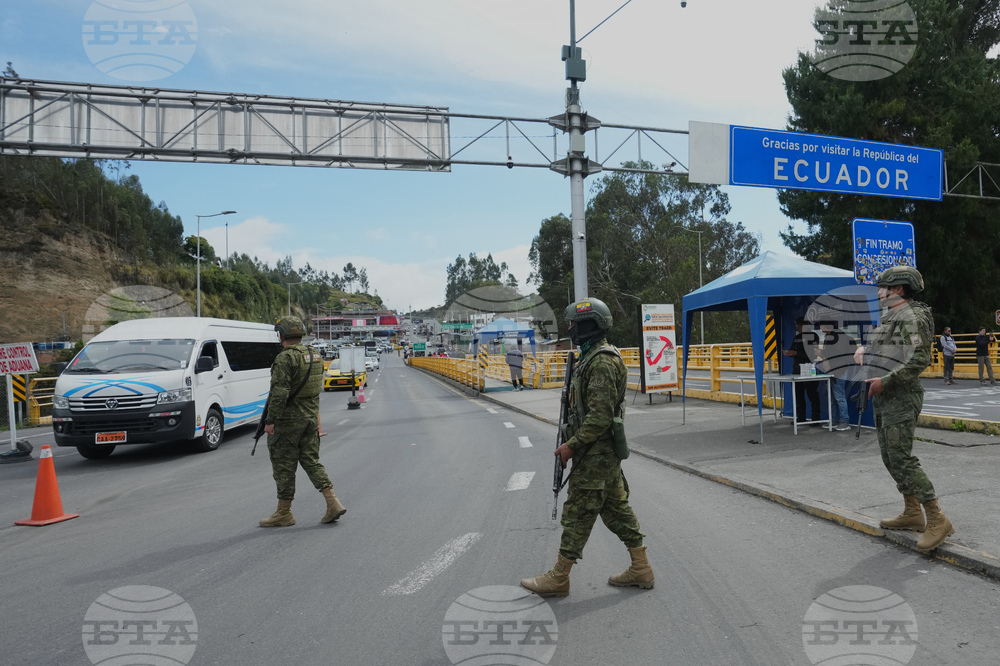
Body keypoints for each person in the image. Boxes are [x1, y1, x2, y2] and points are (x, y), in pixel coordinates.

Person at [520, 298, 652, 597]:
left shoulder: (602, 362)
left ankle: (559, 578)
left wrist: (571, 446)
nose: (571, 329)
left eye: (575, 325)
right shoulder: (591, 357)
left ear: (589, 325)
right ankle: (641, 568)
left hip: (595, 454)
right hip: (600, 453)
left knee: (578, 513)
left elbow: (600, 417)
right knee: (617, 510)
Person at [854, 266, 954, 553]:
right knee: (890, 457)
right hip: (885, 397)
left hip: (901, 396)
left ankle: (937, 517)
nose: (878, 293)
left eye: (882, 288)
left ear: (897, 289)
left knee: (902, 458)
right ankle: (912, 512)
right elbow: (887, 352)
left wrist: (886, 381)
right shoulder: (891, 318)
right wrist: (864, 351)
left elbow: (919, 358)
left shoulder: (913, 316)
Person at [259, 315, 347, 528]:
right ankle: (332, 501)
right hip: (310, 419)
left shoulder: (285, 358)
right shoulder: (314, 354)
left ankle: (284, 513)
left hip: (288, 422)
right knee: (311, 460)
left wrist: (270, 421)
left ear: (282, 334)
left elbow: (279, 393)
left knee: (284, 466)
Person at [815, 324, 856, 431]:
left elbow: (837, 353)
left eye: (821, 326)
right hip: (833, 369)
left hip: (840, 369)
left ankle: (844, 421)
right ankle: (834, 420)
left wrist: (822, 352)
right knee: (833, 397)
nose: (820, 328)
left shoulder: (838, 337)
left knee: (839, 396)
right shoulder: (829, 336)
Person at [782, 317, 821, 425]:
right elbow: (792, 350)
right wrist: (788, 353)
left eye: (799, 325)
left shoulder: (813, 336)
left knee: (812, 394)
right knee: (798, 394)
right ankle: (801, 417)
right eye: (796, 326)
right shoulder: (797, 337)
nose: (797, 327)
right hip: (796, 369)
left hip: (808, 368)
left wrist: (796, 353)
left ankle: (816, 418)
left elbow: (812, 353)